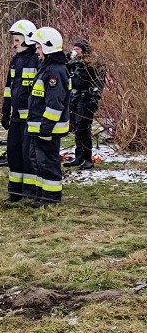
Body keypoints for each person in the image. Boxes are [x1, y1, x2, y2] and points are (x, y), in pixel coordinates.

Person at [25, 27, 71, 208]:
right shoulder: (46, 68)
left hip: (48, 128)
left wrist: (46, 127)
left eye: (38, 47)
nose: (36, 51)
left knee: (48, 162)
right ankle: (41, 195)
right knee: (37, 161)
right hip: (38, 127)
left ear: (48, 47)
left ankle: (51, 198)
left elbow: (55, 104)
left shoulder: (55, 72)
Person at [2, 19, 41, 202]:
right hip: (16, 118)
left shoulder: (36, 60)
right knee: (13, 152)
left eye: (17, 40)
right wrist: (5, 112)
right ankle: (15, 192)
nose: (14, 43)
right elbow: (9, 88)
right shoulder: (15, 60)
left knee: (28, 155)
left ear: (28, 39)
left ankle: (30, 192)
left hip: (30, 119)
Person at [64, 39, 105, 170]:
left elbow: (99, 81)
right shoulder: (73, 63)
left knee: (84, 127)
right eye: (74, 48)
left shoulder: (93, 63)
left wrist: (94, 98)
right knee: (76, 127)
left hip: (86, 98)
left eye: (78, 49)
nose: (75, 51)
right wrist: (66, 58)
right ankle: (79, 156)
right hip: (74, 98)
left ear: (84, 50)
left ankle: (87, 158)